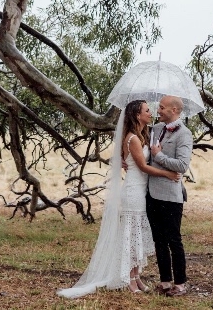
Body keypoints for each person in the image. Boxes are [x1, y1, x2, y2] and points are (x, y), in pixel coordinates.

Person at [58, 99, 181, 298]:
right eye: (147, 110)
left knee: (136, 236)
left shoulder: (143, 135)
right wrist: (167, 174)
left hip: (141, 190)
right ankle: (129, 278)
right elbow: (142, 166)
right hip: (133, 191)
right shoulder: (132, 139)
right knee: (130, 236)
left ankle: (136, 275)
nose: (151, 113)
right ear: (137, 115)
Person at [146, 95, 193, 297]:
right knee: (159, 240)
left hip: (171, 196)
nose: (159, 110)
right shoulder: (155, 129)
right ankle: (165, 281)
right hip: (151, 193)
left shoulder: (185, 134)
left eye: (162, 108)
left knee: (174, 240)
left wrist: (159, 156)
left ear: (174, 110)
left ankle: (180, 283)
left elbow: (182, 166)